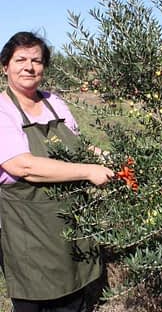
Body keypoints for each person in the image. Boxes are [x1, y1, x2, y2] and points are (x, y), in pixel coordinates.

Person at [0, 31, 115, 312]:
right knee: (32, 300)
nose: (29, 66)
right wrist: (88, 171)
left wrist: (112, 159)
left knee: (73, 297)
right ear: (5, 66)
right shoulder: (2, 110)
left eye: (37, 60)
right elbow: (22, 166)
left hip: (69, 222)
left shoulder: (56, 103)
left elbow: (80, 147)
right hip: (27, 227)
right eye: (21, 59)